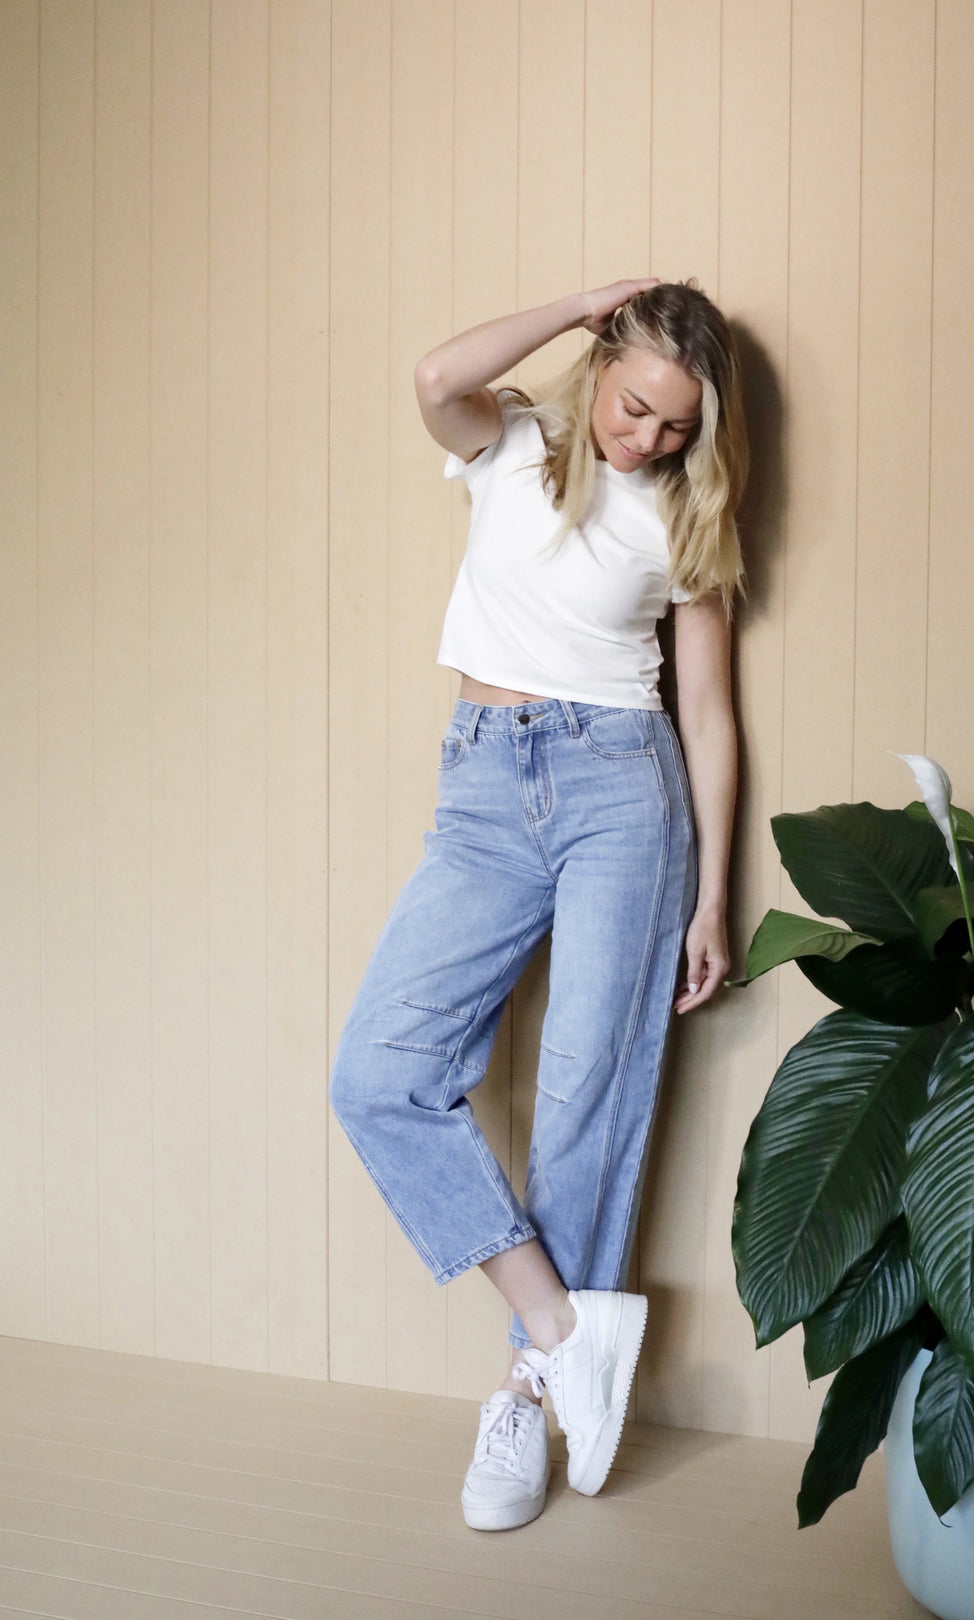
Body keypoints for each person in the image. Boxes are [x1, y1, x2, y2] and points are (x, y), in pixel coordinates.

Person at [329, 278, 747, 1531]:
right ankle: (563, 1331)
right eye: (634, 408)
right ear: (598, 363)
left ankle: (523, 1395)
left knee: (584, 1101)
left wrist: (712, 895)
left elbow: (709, 712)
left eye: (677, 426)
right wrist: (575, 302)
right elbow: (431, 377)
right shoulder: (508, 441)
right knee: (379, 1074)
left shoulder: (688, 511)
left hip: (625, 790)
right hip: (482, 785)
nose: (648, 440)